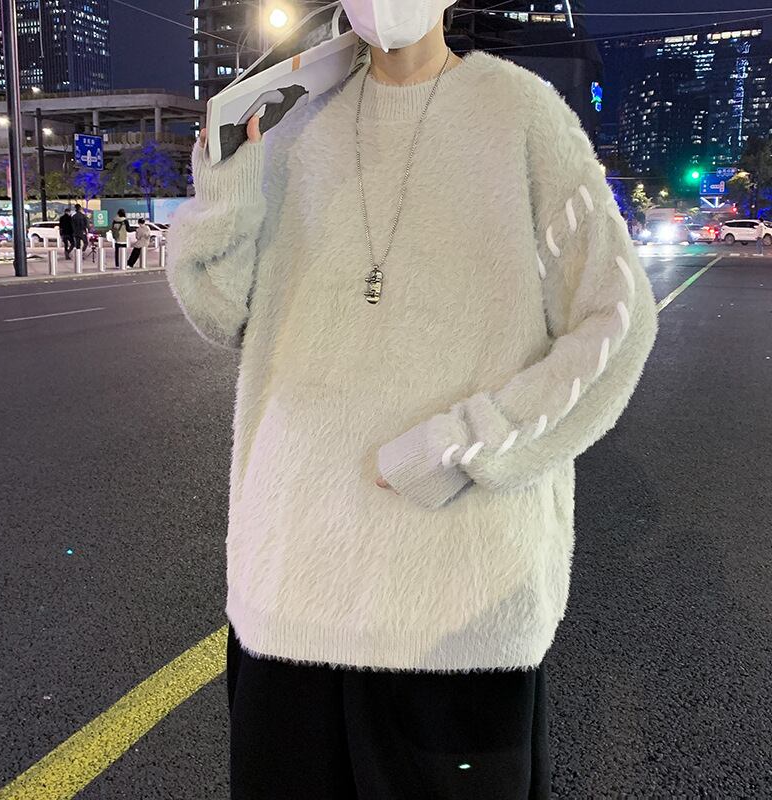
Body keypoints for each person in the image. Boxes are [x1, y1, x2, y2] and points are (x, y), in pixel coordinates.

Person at [165, 2, 659, 797]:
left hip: (455, 609)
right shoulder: (291, 121)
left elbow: (617, 321)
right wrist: (225, 183)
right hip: (290, 590)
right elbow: (222, 313)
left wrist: (469, 442)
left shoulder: (521, 114)